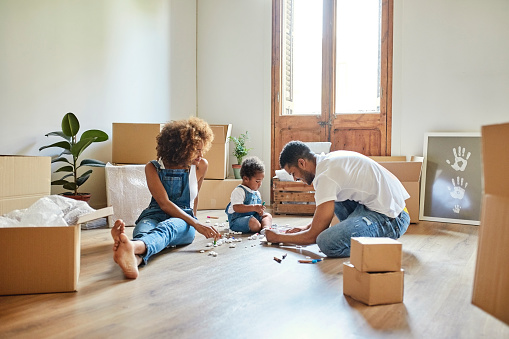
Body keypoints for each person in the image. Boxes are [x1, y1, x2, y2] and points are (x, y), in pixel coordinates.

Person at [111, 117, 220, 279]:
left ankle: (129, 245)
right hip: (155, 214)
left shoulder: (200, 165)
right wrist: (197, 224)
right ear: (181, 149)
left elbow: (194, 198)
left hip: (184, 220)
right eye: (196, 150)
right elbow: (164, 204)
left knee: (168, 227)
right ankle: (135, 257)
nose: (201, 154)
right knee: (143, 229)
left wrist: (194, 222)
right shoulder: (152, 168)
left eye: (202, 149)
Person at [265, 141, 410, 257]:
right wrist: (305, 228)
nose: (295, 179)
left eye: (293, 173)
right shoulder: (327, 162)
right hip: (378, 208)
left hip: (393, 219)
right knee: (332, 200)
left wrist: (278, 238)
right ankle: (364, 236)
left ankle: (382, 246)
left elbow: (312, 237)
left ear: (302, 163)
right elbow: (323, 214)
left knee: (326, 242)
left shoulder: (326, 176)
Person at [225, 156, 272, 233]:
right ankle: (259, 227)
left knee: (268, 216)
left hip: (252, 217)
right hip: (238, 220)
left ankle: (265, 229)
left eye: (261, 181)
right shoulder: (239, 191)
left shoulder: (256, 193)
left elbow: (257, 211)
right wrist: (254, 207)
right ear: (246, 179)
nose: (260, 184)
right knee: (254, 223)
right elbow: (237, 208)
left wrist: (259, 211)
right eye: (257, 181)